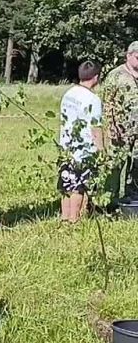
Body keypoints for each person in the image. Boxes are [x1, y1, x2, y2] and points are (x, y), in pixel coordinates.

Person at [59, 61, 105, 223]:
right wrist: (101, 149)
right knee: (79, 186)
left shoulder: (68, 94)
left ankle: (65, 217)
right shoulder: (93, 99)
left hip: (65, 146)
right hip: (84, 149)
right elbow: (95, 127)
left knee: (66, 184)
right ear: (96, 77)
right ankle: (74, 219)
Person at [102, 41, 138, 203]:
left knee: (136, 165)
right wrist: (111, 126)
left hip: (136, 130)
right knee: (115, 164)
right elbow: (107, 102)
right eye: (137, 57)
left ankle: (132, 195)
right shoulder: (116, 75)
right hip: (120, 130)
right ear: (128, 56)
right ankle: (110, 199)